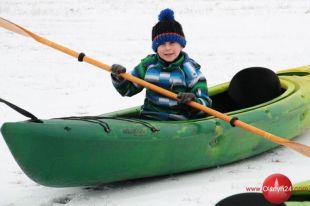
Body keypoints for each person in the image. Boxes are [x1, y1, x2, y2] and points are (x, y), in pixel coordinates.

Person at [111, 8, 211, 120]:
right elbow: (128, 90)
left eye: (172, 43)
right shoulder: (148, 65)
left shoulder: (190, 70)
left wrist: (193, 101)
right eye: (162, 44)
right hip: (150, 118)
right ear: (156, 47)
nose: (167, 48)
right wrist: (119, 77)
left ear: (181, 45)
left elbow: (205, 103)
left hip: (178, 122)